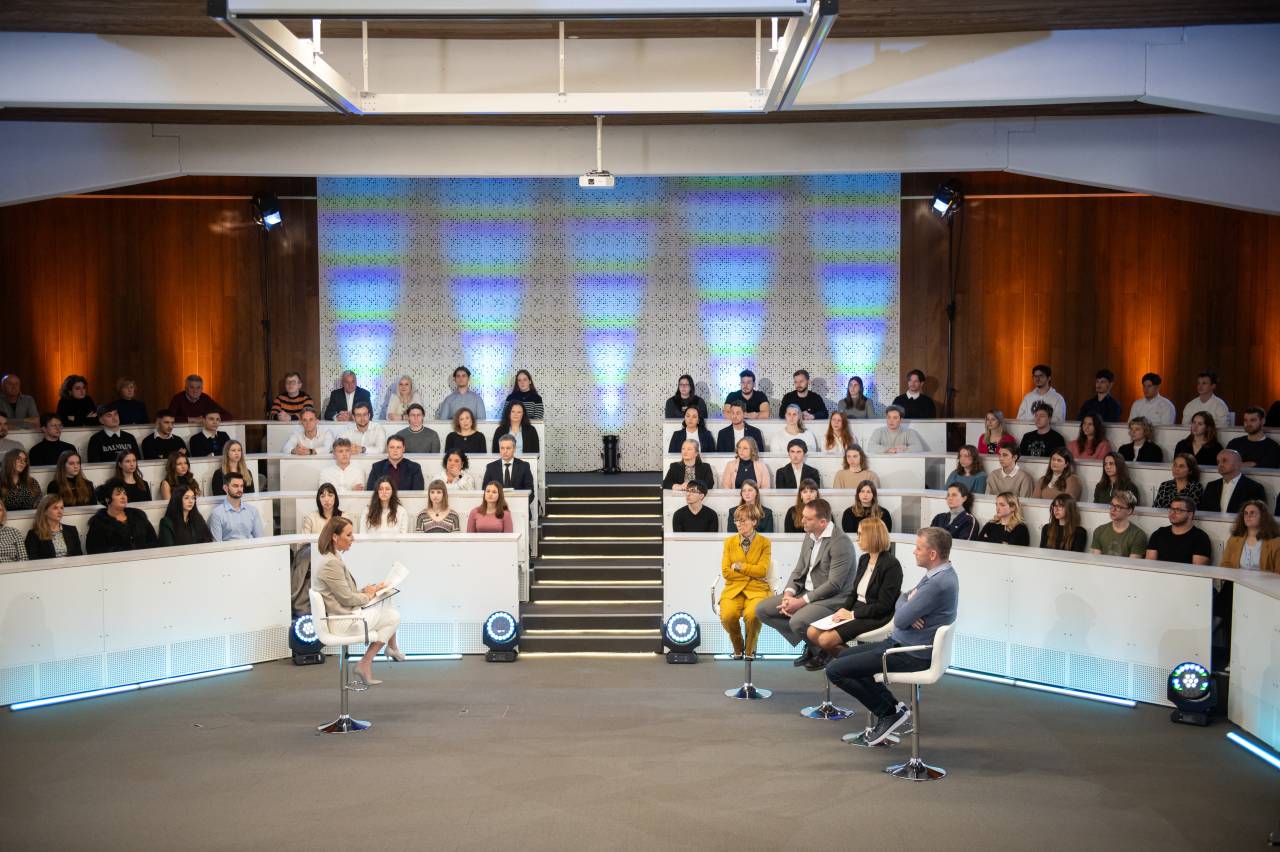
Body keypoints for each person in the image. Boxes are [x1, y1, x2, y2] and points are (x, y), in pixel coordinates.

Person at [826, 527, 958, 745]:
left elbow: (900, 619)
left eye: (918, 548)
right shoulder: (940, 574)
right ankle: (894, 709)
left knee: (835, 670)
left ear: (933, 554)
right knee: (842, 659)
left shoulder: (936, 583)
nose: (914, 551)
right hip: (900, 644)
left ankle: (888, 712)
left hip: (910, 653)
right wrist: (908, 603)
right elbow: (902, 598)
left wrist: (907, 607)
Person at [755, 498, 854, 668]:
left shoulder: (841, 543)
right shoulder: (810, 535)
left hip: (832, 598)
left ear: (823, 522)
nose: (802, 521)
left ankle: (824, 649)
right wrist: (788, 595)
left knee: (797, 621)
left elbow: (834, 585)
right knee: (762, 610)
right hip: (806, 592)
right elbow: (799, 569)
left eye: (808, 519)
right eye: (803, 516)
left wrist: (800, 602)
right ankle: (814, 644)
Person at [314, 516, 405, 686]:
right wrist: (370, 595)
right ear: (335, 537)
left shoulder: (333, 559)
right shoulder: (330, 563)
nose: (353, 539)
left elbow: (344, 593)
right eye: (348, 535)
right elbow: (348, 598)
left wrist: (368, 590)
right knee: (393, 615)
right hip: (342, 622)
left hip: (344, 616)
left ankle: (376, 656)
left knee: (389, 605)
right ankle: (381, 654)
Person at [806, 518, 902, 661]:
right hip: (856, 610)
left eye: (860, 534)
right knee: (812, 632)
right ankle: (857, 663)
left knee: (826, 640)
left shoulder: (891, 565)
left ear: (872, 536)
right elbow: (853, 593)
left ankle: (856, 665)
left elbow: (883, 606)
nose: (857, 539)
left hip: (875, 615)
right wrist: (843, 610)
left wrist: (852, 614)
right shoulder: (864, 559)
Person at [718, 505, 773, 659]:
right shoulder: (729, 542)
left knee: (753, 615)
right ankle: (738, 646)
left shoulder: (765, 542)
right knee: (727, 616)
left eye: (743, 521)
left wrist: (739, 567)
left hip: (757, 590)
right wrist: (752, 574)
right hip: (733, 589)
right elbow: (726, 572)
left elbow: (762, 571)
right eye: (737, 521)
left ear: (754, 521)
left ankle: (750, 650)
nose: (739, 524)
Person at [86, 479, 158, 553]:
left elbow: (153, 541)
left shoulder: (138, 515)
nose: (123, 497)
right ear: (107, 499)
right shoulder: (98, 522)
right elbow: (94, 550)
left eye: (124, 493)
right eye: (118, 494)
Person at [1145, 497, 1211, 565]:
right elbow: (1149, 564)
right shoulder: (1159, 533)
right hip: (1158, 571)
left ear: (1190, 514)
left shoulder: (1200, 537)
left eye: (1178, 510)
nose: (1172, 513)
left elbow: (1198, 568)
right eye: (1171, 509)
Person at [1200, 449, 1266, 515]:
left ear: (1237, 464)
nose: (1220, 464)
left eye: (1224, 460)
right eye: (1218, 462)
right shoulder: (1211, 486)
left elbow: (1259, 515)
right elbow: (1204, 511)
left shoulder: (1254, 488)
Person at [1221, 500, 1280, 573]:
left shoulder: (1275, 542)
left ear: (1263, 516)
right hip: (1237, 579)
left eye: (1252, 513)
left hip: (1264, 580)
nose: (1248, 516)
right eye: (1246, 513)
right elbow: (1225, 565)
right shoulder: (1234, 540)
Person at [23, 495, 84, 560]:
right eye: (55, 508)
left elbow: (79, 556)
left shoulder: (72, 530)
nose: (60, 512)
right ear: (45, 511)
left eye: (62, 508)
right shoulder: (34, 534)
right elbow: (32, 560)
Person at [1090, 490, 1148, 558]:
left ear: (1129, 511)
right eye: (1112, 505)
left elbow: (1133, 563)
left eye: (1118, 507)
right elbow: (1096, 560)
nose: (1113, 510)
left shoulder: (1138, 535)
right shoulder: (1099, 531)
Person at [208, 473, 264, 541]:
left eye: (241, 486)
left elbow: (260, 539)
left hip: (251, 547)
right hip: (229, 548)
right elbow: (216, 543)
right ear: (225, 488)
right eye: (235, 486)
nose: (239, 489)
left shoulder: (253, 511)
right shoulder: (217, 514)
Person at [483, 435, 535, 503]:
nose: (505, 451)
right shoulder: (491, 467)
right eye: (502, 448)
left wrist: (521, 504)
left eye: (508, 448)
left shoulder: (524, 466)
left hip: (519, 505)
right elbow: (485, 490)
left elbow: (530, 492)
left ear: (514, 449)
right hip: (496, 506)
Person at [168, 374, 232, 423]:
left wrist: (208, 419)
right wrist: (192, 419)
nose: (195, 391)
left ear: (202, 389)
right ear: (186, 388)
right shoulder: (177, 398)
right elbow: (168, 418)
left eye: (198, 387)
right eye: (192, 387)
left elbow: (228, 416)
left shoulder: (205, 398)